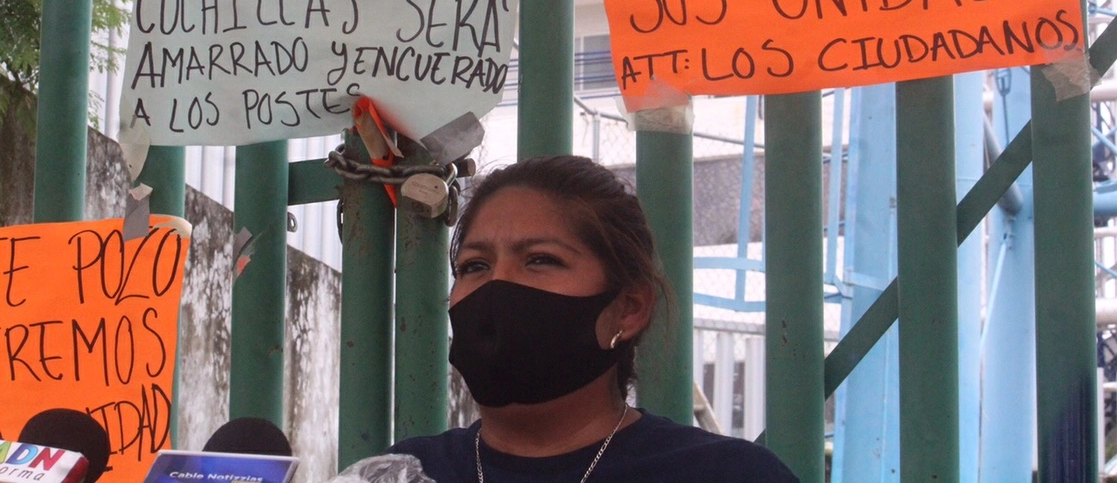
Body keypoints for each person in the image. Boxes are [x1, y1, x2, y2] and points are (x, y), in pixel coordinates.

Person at [334, 154, 799, 483]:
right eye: (474, 266)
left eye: (540, 260)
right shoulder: (400, 474)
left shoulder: (727, 475)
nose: (499, 286)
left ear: (629, 308)